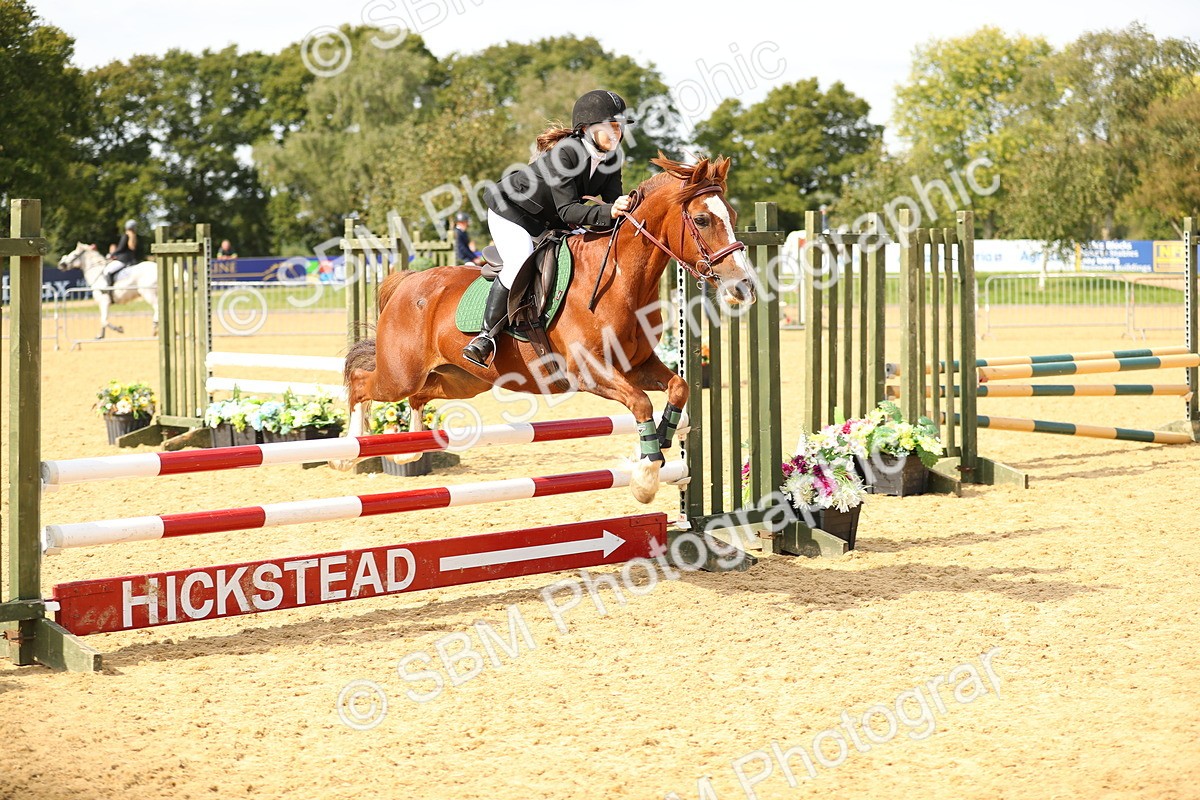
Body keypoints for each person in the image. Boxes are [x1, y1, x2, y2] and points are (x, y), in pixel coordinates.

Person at [463, 89, 635, 368]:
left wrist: (627, 207)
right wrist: (609, 211)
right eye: (610, 127)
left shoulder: (612, 159)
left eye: (620, 127)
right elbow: (569, 209)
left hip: (550, 219)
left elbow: (612, 203)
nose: (617, 134)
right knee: (520, 257)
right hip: (512, 210)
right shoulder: (566, 154)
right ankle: (485, 338)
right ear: (587, 129)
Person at [101, 220, 139, 289]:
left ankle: (109, 289)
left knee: (107, 271)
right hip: (130, 260)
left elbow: (120, 248)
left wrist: (111, 254)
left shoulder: (125, 236)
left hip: (123, 260)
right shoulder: (134, 237)